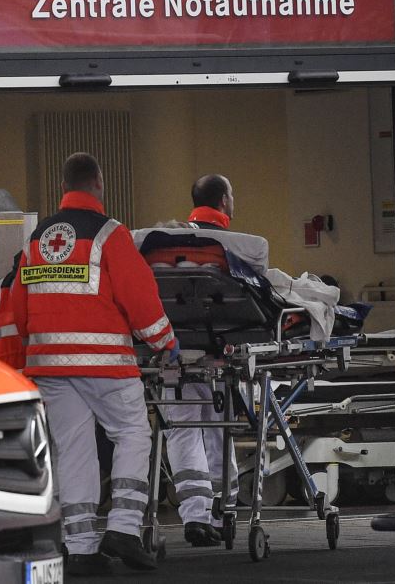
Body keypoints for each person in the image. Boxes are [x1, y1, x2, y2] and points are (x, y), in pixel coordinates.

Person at [9, 152, 176, 576]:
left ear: (63, 186)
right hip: (105, 364)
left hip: (49, 366)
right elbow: (139, 296)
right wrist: (164, 341)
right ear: (99, 183)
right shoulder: (109, 234)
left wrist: (36, 343)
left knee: (74, 449)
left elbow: (19, 306)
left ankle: (80, 547)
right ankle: (123, 528)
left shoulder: (37, 239)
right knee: (132, 433)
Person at [160, 174, 241, 542]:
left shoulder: (163, 245)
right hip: (219, 354)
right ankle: (224, 514)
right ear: (224, 201)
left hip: (175, 354)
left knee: (183, 430)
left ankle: (195, 516)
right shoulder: (233, 246)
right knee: (219, 430)